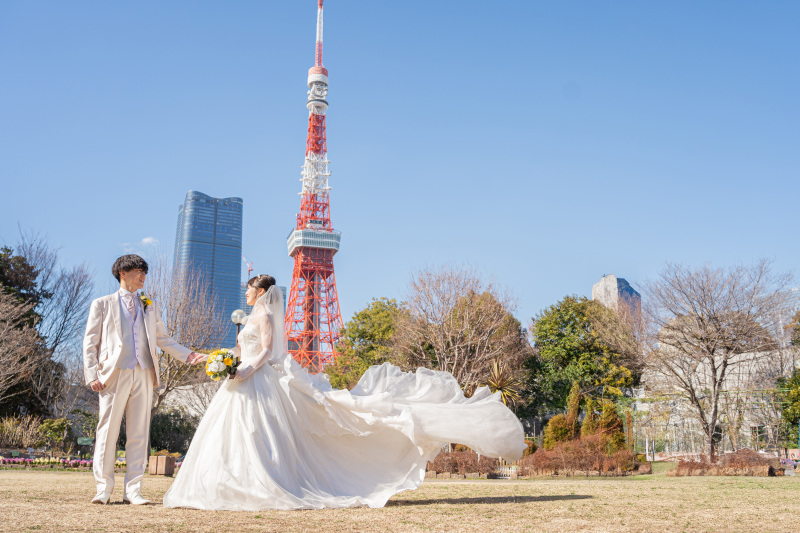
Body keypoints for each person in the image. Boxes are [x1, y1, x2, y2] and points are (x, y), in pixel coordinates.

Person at [163, 274, 525, 511]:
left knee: (260, 434)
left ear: (261, 293)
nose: (245, 291)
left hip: (257, 380)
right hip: (240, 382)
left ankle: (260, 482)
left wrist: (243, 369)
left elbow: (265, 352)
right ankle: (231, 481)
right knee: (236, 435)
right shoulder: (248, 319)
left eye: (249, 288)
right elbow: (244, 350)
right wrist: (223, 360)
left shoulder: (265, 318)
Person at [83, 254, 204, 505]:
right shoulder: (102, 304)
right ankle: (103, 489)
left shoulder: (150, 305)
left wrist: (189, 355)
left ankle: (133, 491)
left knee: (139, 433)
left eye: (144, 272)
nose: (143, 277)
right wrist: (92, 373)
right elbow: (90, 342)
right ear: (122, 273)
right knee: (107, 432)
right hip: (113, 374)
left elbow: (163, 339)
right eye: (138, 271)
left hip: (144, 372)